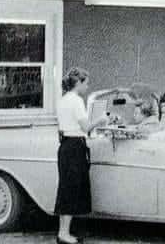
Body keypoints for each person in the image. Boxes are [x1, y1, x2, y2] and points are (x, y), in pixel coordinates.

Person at [54, 67, 108, 244]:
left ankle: (63, 231)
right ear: (78, 83)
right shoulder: (76, 101)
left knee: (65, 188)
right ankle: (64, 233)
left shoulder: (62, 100)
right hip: (75, 147)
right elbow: (85, 127)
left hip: (65, 146)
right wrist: (101, 120)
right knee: (71, 190)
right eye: (86, 83)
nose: (87, 86)